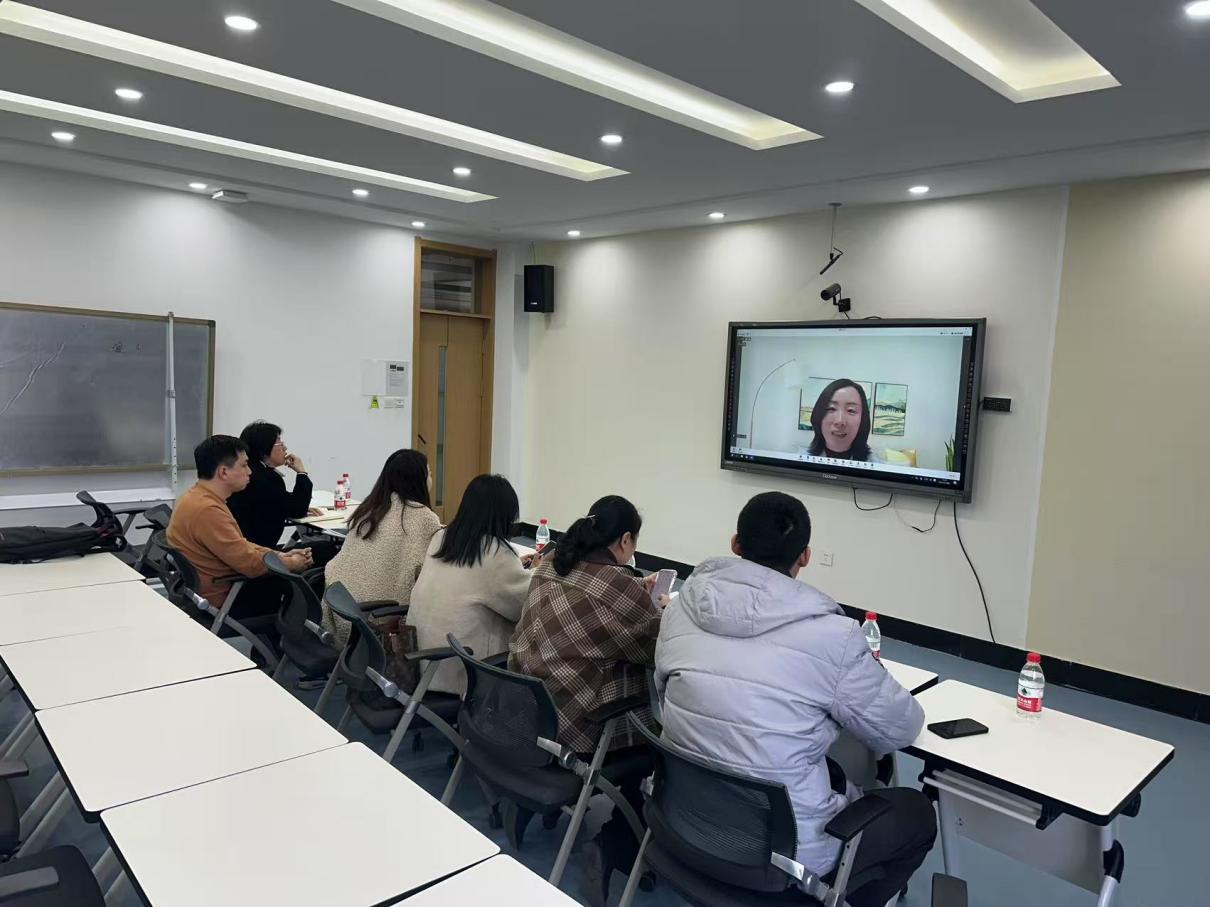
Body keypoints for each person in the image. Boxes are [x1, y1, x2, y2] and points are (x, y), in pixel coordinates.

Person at [655, 491, 933, 907]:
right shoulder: (834, 637)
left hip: (685, 819)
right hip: (785, 854)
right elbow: (900, 729)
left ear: (735, 544)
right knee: (916, 812)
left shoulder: (678, 611)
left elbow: (663, 699)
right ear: (805, 556)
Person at [509, 495, 663, 906]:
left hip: (527, 711)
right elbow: (655, 651)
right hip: (577, 725)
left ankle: (530, 805)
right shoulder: (620, 586)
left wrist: (634, 593)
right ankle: (616, 841)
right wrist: (650, 603)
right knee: (656, 741)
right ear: (626, 540)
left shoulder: (549, 564)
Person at [167, 435, 312, 624]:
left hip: (212, 588)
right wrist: (291, 563)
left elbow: (241, 546)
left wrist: (280, 555)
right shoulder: (207, 510)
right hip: (227, 597)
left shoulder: (195, 498)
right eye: (244, 465)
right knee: (309, 579)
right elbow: (250, 564)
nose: (250, 471)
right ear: (223, 472)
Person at [410, 474, 533, 696]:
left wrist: (515, 567)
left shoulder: (442, 537)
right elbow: (523, 605)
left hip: (421, 659)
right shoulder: (495, 554)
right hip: (461, 670)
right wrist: (541, 569)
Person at [323, 449, 440, 647]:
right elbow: (430, 575)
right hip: (379, 627)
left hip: (341, 613)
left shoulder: (369, 509)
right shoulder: (424, 518)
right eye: (428, 473)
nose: (431, 479)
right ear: (417, 479)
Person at [227, 420, 321, 548]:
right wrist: (301, 473)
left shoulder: (249, 471)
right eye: (280, 443)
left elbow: (277, 499)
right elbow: (298, 510)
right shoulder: (266, 478)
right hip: (259, 553)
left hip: (244, 547)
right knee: (325, 547)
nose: (285, 448)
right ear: (264, 448)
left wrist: (292, 501)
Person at [808, 378, 872, 461]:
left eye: (851, 410)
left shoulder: (877, 465)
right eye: (831, 408)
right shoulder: (800, 459)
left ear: (863, 419)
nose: (840, 421)